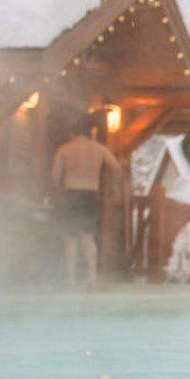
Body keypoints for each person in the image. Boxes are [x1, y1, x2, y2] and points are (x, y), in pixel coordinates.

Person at [47, 121, 122, 286]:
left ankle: (71, 278)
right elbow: (116, 167)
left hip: (71, 193)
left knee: (71, 238)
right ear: (90, 132)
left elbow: (55, 175)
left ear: (71, 133)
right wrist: (114, 188)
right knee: (88, 236)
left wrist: (54, 194)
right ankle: (91, 277)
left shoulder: (65, 149)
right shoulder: (100, 149)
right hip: (90, 193)